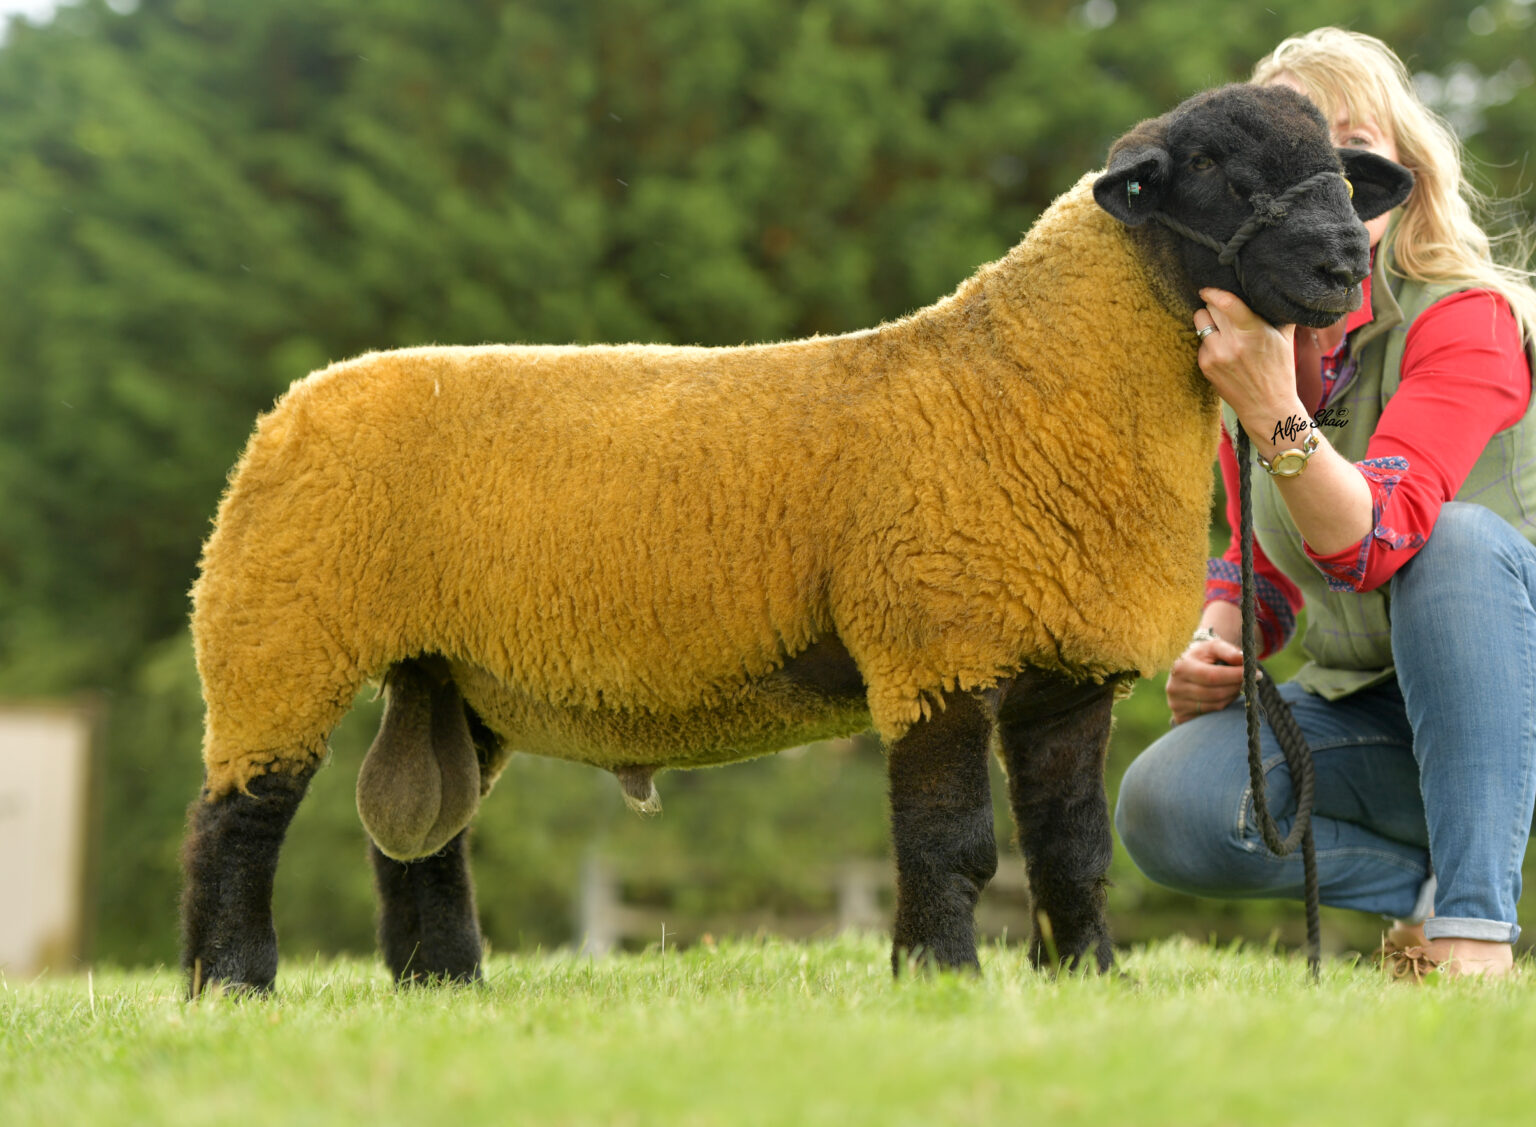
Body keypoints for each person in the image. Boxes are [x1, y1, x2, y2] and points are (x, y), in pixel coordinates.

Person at [1113, 27, 1536, 979]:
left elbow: (1376, 540)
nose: (1332, 175)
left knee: (1457, 544)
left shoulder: (1469, 319)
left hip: (1523, 708)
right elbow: (1259, 565)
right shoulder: (1256, 343)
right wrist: (1215, 643)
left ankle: (1472, 939)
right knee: (1164, 802)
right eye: (1302, 150)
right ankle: (1430, 890)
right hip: (1377, 716)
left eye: (1356, 148)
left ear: (1403, 172)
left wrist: (1274, 411)